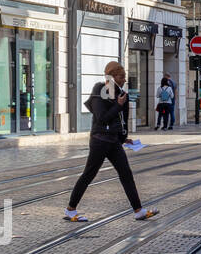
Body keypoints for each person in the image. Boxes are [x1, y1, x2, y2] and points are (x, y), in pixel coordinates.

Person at [64, 61, 157, 222]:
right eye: (121, 77)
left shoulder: (121, 93)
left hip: (113, 141)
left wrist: (124, 138)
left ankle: (138, 210)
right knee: (89, 174)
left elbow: (121, 120)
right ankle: (70, 209)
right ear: (112, 76)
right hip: (100, 140)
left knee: (126, 174)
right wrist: (118, 105)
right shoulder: (100, 91)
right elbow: (102, 119)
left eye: (124, 77)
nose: (124, 80)